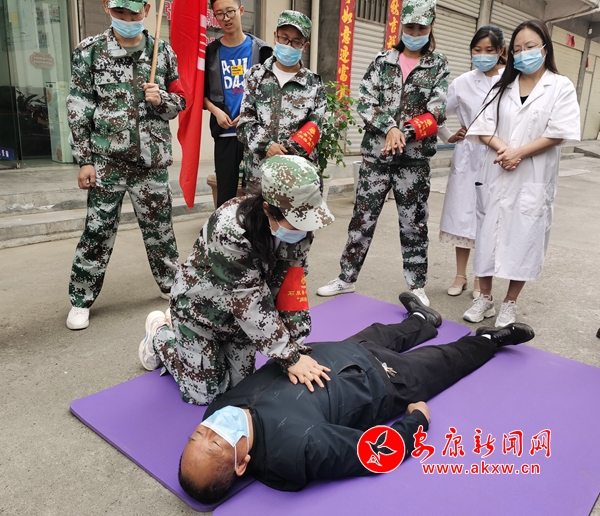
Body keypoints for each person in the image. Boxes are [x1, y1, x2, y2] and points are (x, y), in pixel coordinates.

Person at [176, 291, 535, 502]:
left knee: (388, 332)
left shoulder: (217, 409)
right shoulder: (298, 451)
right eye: (215, 442)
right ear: (242, 463)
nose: (212, 428)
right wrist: (417, 422)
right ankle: (489, 340)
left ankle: (423, 320)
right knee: (445, 360)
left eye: (198, 433)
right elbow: (374, 454)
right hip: (381, 382)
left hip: (335, 352)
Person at [137, 155, 335, 405]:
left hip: (243, 323)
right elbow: (248, 301)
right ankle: (160, 335)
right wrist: (290, 357)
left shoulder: (302, 224)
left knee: (241, 391)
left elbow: (292, 286)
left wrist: (297, 347)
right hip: (200, 313)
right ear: (268, 209)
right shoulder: (230, 229)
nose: (304, 229)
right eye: (297, 222)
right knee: (207, 396)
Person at [317, 0, 450, 307]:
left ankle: (417, 285)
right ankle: (346, 278)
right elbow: (365, 100)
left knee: (414, 223)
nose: (414, 33)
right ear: (401, 26)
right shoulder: (382, 60)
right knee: (362, 219)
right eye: (409, 27)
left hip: (413, 161)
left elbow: (437, 110)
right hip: (376, 158)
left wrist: (405, 133)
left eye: (420, 28)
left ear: (430, 27)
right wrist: (389, 127)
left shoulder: (438, 64)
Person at [65, 0, 185, 330]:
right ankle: (81, 298)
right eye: (120, 12)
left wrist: (162, 99)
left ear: (147, 9)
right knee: (97, 231)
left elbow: (180, 100)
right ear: (107, 7)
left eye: (134, 13)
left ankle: (171, 287)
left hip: (151, 162)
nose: (128, 19)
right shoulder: (90, 51)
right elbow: (79, 107)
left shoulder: (163, 51)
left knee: (161, 231)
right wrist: (85, 160)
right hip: (107, 161)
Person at [463, 20, 580, 327]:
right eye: (517, 49)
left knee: (525, 238)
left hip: (532, 176)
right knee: (487, 235)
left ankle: (509, 303)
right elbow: (482, 127)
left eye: (530, 47)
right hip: (497, 170)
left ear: (545, 48)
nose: (523, 53)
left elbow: (559, 132)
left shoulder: (560, 86)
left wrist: (519, 153)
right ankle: (484, 298)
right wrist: (505, 150)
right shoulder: (501, 85)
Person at [438, 25, 506, 299]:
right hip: (468, 155)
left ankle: (482, 277)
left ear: (500, 51)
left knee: (489, 217)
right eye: (477, 50)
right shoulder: (462, 82)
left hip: (497, 154)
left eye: (489, 50)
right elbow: (437, 114)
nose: (482, 55)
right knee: (463, 214)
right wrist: (449, 136)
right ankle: (460, 275)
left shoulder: (511, 81)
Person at [237, 10, 326, 184]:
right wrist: (267, 145)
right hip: (258, 173)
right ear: (275, 36)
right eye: (284, 38)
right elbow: (245, 121)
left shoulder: (314, 84)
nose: (288, 45)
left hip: (296, 176)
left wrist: (285, 154)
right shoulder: (255, 76)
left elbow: (314, 128)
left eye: (296, 41)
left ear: (305, 46)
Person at [204, 0, 272, 207]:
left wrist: (248, 114)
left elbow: (269, 94)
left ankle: (256, 228)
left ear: (241, 11)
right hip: (225, 133)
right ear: (214, 16)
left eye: (230, 12)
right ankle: (225, 228)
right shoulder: (211, 52)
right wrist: (216, 111)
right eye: (220, 14)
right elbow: (202, 93)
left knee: (258, 194)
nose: (226, 18)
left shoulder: (262, 50)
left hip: (255, 134)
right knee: (225, 196)